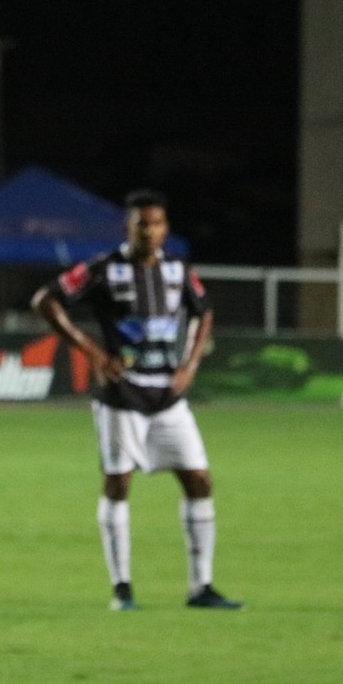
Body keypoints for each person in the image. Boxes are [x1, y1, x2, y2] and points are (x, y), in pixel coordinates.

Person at [31, 189, 241, 611]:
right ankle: (122, 588)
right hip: (120, 397)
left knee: (199, 480)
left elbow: (205, 312)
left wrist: (190, 365)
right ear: (128, 228)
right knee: (118, 483)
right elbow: (45, 300)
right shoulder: (104, 269)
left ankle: (201, 587)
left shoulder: (178, 270)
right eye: (142, 223)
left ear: (166, 228)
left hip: (168, 396)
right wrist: (89, 350)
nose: (151, 231)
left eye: (158, 223)